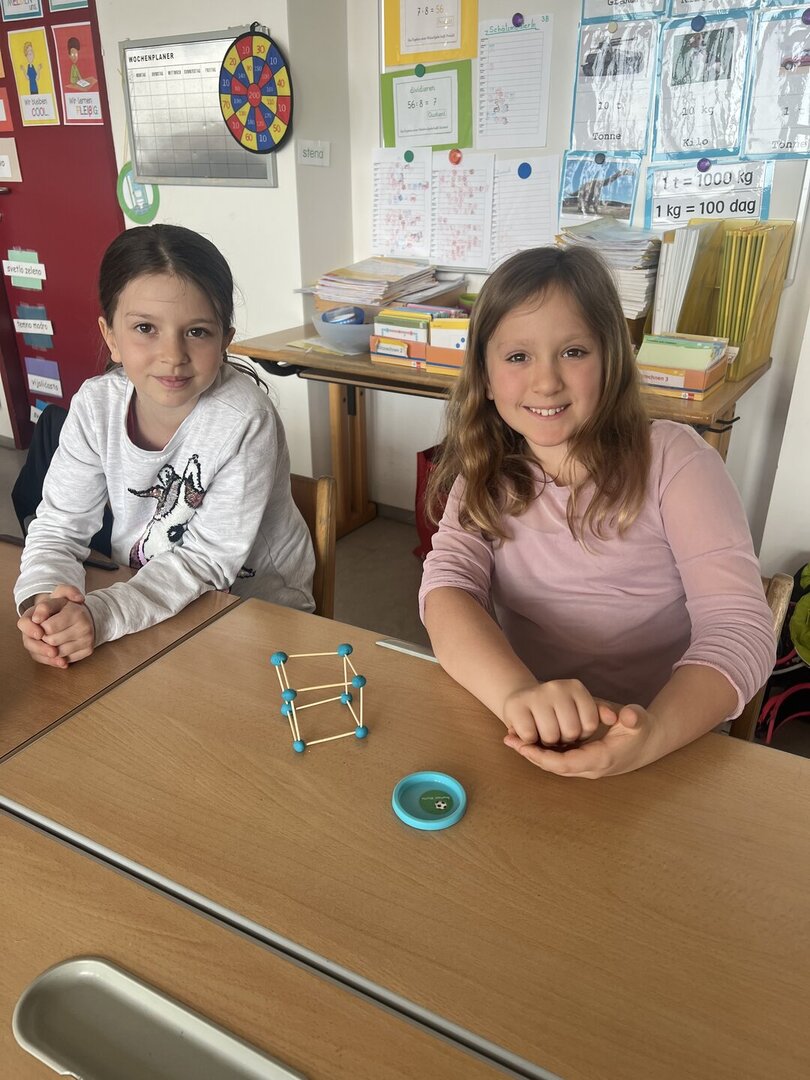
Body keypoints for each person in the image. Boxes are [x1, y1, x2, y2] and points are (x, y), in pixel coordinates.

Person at [419, 246, 775, 778]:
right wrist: (516, 694)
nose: (546, 382)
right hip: (525, 727)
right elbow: (448, 586)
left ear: (612, 360)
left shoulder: (676, 463)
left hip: (663, 737)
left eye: (574, 352)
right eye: (517, 357)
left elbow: (739, 627)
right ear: (485, 378)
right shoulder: (484, 469)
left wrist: (651, 734)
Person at [15, 224, 315, 668]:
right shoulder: (96, 406)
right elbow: (59, 527)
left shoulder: (245, 419)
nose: (173, 355)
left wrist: (102, 614)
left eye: (197, 332)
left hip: (257, 610)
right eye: (145, 328)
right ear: (111, 337)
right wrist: (47, 606)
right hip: (148, 599)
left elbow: (205, 562)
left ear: (225, 340)